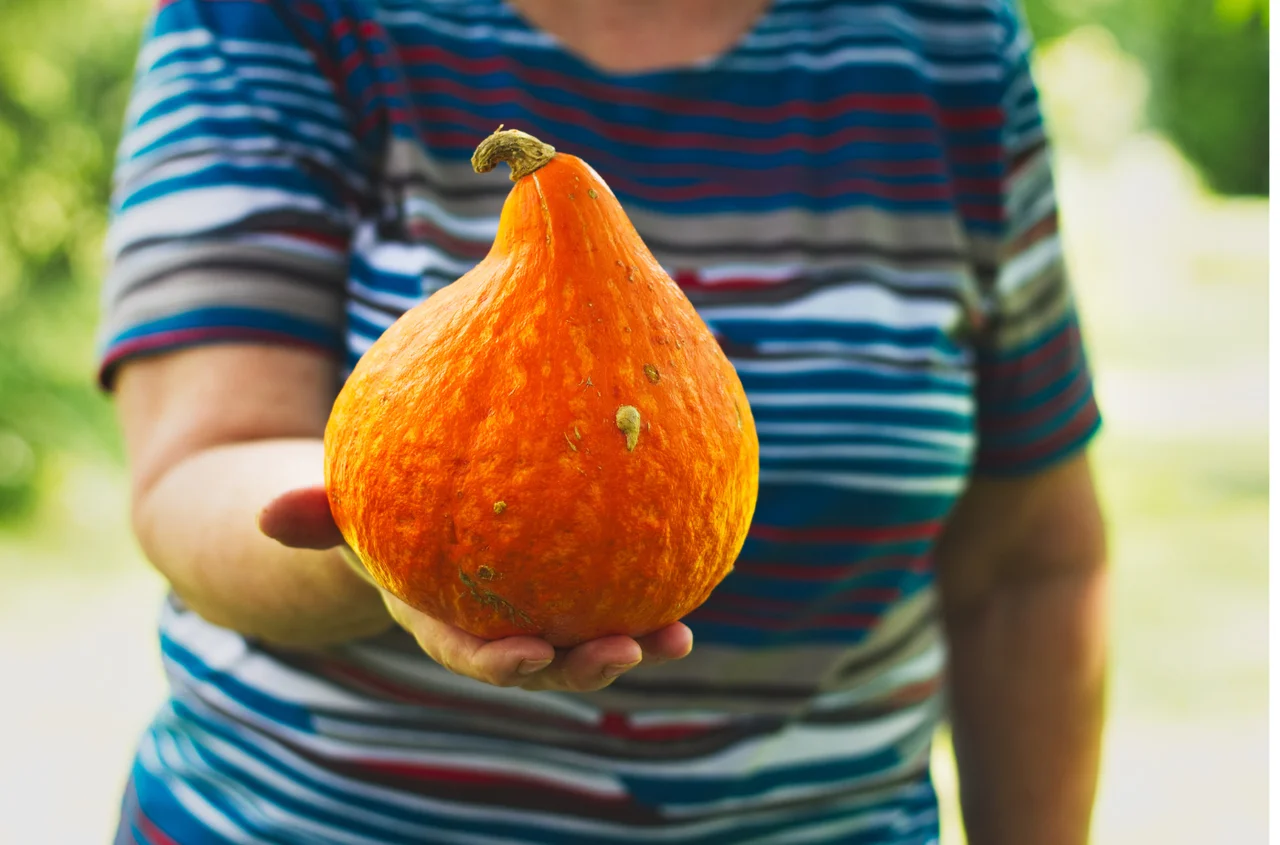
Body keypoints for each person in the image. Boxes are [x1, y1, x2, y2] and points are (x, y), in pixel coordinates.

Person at [99, 0, 1108, 842]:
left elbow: (1029, 564)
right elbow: (201, 460)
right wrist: (384, 545)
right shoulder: (278, 17)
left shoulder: (946, 39)